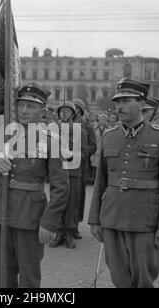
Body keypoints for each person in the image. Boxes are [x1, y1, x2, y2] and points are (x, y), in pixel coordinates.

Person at [89, 78, 159, 288]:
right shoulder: (110, 137)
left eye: (125, 101)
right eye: (117, 101)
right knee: (118, 277)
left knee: (144, 277)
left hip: (144, 220)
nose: (119, 107)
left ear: (141, 104)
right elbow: (100, 182)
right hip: (112, 217)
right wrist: (94, 218)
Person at [0, 84, 69, 288]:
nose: (24, 111)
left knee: (28, 277)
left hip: (30, 215)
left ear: (43, 110)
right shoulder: (5, 134)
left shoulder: (52, 141)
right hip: (2, 210)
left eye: (31, 106)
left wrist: (49, 223)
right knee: (2, 275)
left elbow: (61, 187)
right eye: (21, 105)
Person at [49, 101, 80, 249]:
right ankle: (58, 231)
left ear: (73, 114)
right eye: (62, 111)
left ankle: (68, 233)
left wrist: (71, 154)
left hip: (72, 171)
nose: (64, 114)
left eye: (68, 111)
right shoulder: (52, 130)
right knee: (57, 201)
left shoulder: (80, 131)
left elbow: (85, 151)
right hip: (56, 171)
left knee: (71, 204)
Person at [72, 98, 96, 240]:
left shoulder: (87, 127)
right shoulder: (62, 125)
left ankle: (75, 225)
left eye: (75, 108)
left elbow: (93, 146)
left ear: (80, 110)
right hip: (64, 166)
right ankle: (62, 226)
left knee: (78, 196)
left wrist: (81, 152)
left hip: (81, 166)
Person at [90, 113, 109, 184]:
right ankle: (93, 179)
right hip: (96, 148)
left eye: (104, 119)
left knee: (103, 166)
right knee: (95, 166)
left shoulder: (109, 129)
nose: (102, 120)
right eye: (101, 119)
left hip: (105, 149)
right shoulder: (94, 129)